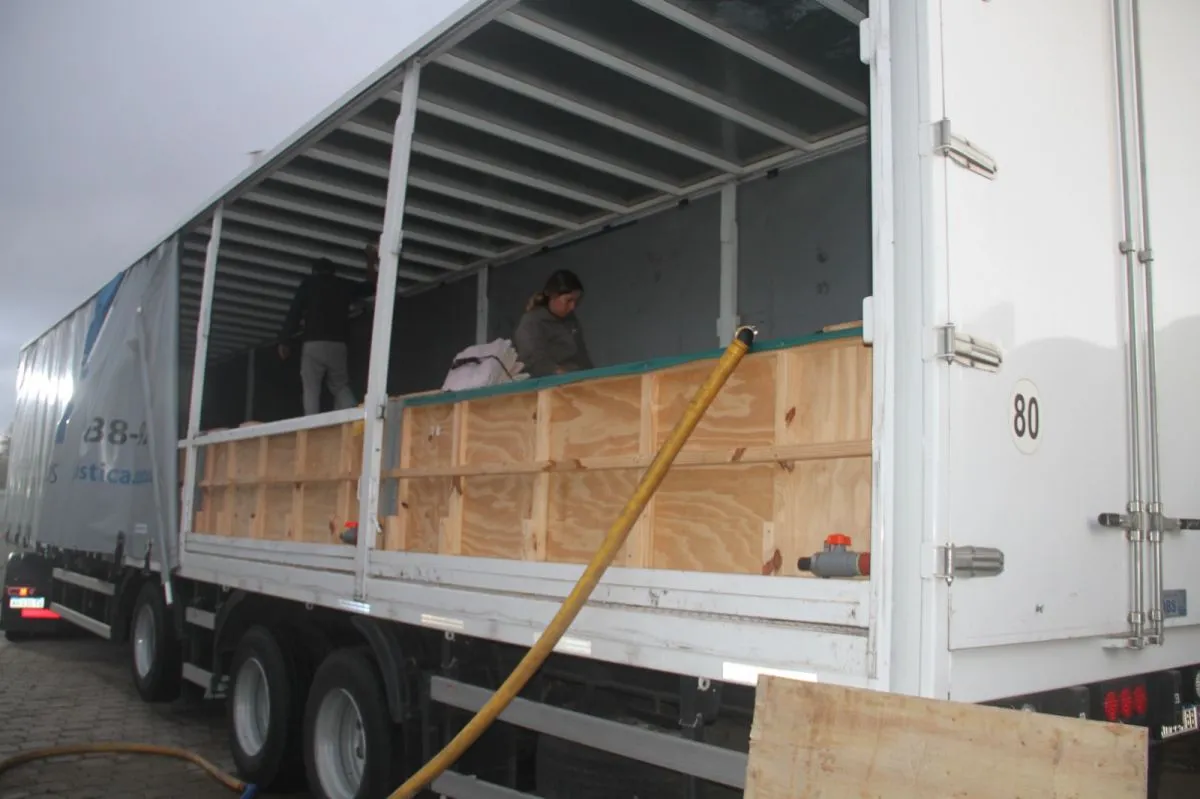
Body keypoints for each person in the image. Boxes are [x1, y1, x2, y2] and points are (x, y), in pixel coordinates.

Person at [278, 245, 379, 415]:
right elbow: (372, 286)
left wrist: (284, 341)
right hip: (338, 344)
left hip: (313, 343)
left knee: (311, 387)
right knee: (339, 385)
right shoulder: (343, 285)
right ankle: (353, 415)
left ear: (314, 272)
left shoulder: (308, 285)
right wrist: (370, 259)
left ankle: (311, 423)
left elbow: (294, 313)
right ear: (333, 272)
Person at [512, 269, 593, 378]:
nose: (573, 306)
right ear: (553, 296)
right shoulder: (532, 322)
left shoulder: (571, 321)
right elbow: (532, 360)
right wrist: (560, 374)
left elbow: (582, 355)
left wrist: (593, 376)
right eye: (568, 300)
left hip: (576, 379)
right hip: (547, 383)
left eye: (576, 301)